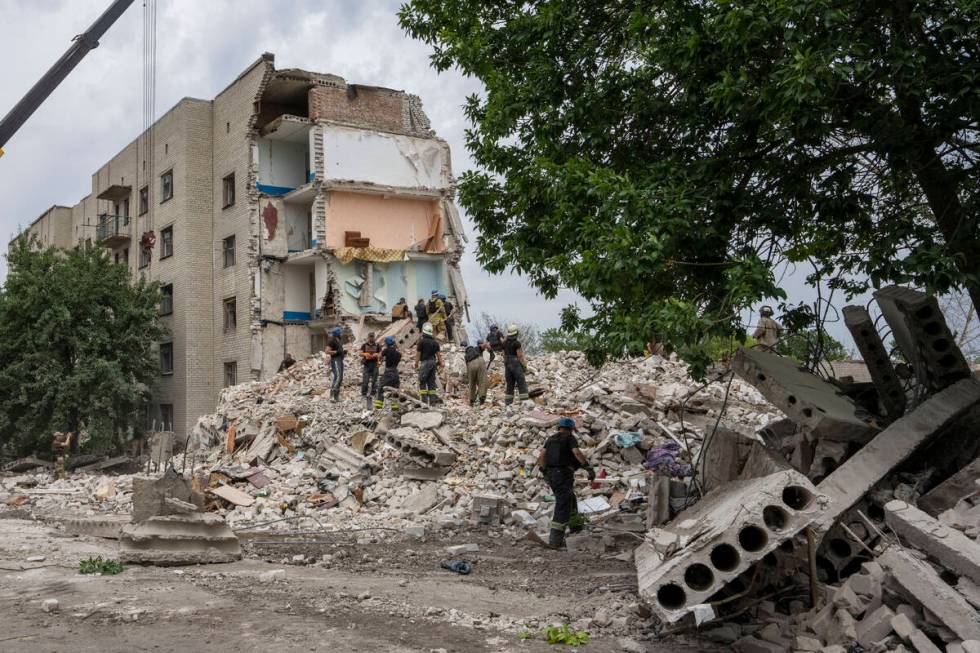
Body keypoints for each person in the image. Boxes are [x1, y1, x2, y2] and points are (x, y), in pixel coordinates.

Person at [537, 417, 596, 548]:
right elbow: (576, 453)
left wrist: (544, 471)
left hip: (551, 474)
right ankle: (555, 541)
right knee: (563, 504)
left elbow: (541, 457)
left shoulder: (551, 439)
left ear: (559, 427)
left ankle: (576, 527)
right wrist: (588, 468)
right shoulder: (569, 438)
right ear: (570, 428)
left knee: (570, 498)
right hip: (563, 474)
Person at [415, 322, 444, 405]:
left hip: (425, 363)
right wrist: (441, 363)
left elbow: (418, 354)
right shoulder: (435, 343)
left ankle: (424, 402)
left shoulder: (421, 342)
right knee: (431, 383)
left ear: (424, 332)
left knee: (422, 381)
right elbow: (438, 355)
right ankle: (433, 402)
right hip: (433, 363)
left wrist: (416, 363)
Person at [503, 324, 530, 405]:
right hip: (515, 364)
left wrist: (506, 365)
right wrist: (525, 367)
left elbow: (504, 355)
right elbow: (520, 356)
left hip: (507, 364)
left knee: (510, 384)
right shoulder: (517, 343)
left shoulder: (504, 343)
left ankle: (508, 403)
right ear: (516, 333)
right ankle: (525, 402)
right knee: (521, 382)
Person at [375, 336, 402, 411]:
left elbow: (380, 356)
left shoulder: (386, 350)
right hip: (396, 373)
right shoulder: (398, 354)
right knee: (395, 389)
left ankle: (379, 404)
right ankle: (395, 406)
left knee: (381, 386)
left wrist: (379, 362)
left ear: (387, 343)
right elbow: (400, 355)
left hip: (388, 372)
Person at [465, 340, 491, 405]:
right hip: (480, 361)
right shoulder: (477, 349)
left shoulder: (466, 356)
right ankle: (482, 397)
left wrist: (469, 377)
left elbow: (468, 370)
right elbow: (483, 345)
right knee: (482, 380)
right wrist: (489, 348)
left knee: (472, 383)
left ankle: (471, 400)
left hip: (470, 364)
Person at [324, 327, 346, 402]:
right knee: (338, 376)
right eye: (340, 333)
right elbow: (327, 351)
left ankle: (336, 397)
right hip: (336, 360)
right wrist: (336, 352)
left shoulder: (338, 341)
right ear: (337, 334)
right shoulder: (332, 341)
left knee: (340, 378)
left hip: (340, 360)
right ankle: (332, 396)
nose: (342, 334)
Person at [360, 332, 382, 404]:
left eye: (372, 337)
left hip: (375, 364)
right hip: (367, 364)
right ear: (368, 337)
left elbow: (381, 354)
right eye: (370, 337)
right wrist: (365, 354)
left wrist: (377, 354)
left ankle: (373, 393)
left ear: (374, 337)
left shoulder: (378, 345)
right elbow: (360, 353)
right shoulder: (364, 345)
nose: (371, 338)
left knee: (374, 380)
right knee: (365, 380)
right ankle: (364, 393)